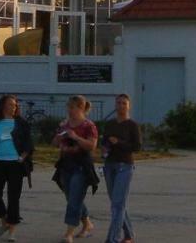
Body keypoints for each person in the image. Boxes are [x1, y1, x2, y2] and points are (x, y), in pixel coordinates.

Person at [0, 94, 33, 242]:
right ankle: (4, 222)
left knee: (13, 197)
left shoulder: (21, 123)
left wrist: (23, 156)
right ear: (3, 106)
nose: (13, 107)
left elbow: (29, 143)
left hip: (15, 164)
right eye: (10, 104)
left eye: (15, 105)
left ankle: (12, 230)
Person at [53, 95, 99, 243]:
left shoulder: (88, 125)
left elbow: (92, 146)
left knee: (74, 199)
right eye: (68, 107)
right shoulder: (64, 124)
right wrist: (59, 139)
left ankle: (69, 233)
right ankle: (87, 223)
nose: (69, 110)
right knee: (72, 196)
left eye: (72, 107)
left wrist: (76, 137)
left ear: (80, 108)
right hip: (65, 165)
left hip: (81, 166)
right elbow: (54, 142)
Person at [100, 93, 142, 243]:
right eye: (119, 103)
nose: (121, 106)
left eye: (124, 103)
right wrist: (104, 149)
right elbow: (104, 141)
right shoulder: (110, 124)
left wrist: (119, 142)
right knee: (116, 202)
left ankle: (113, 238)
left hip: (125, 165)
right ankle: (129, 234)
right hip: (110, 164)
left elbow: (137, 147)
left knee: (118, 203)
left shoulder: (132, 125)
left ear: (129, 106)